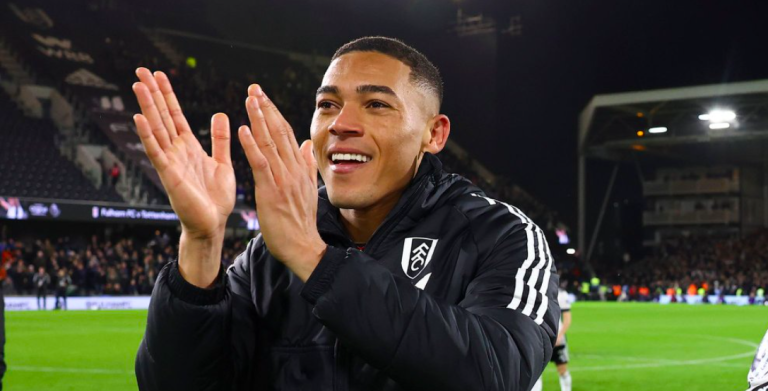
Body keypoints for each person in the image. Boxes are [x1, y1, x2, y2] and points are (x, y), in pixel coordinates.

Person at [132, 36, 559, 391]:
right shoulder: (267, 256)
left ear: (434, 133)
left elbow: (494, 373)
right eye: (327, 105)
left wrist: (314, 259)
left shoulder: (502, 236)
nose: (341, 123)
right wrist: (201, 243)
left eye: (376, 104)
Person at [531, 282, 572, 391]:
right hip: (539, 338)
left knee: (562, 369)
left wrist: (560, 335)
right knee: (536, 373)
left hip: (558, 338)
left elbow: (567, 318)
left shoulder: (561, 294)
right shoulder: (532, 292)